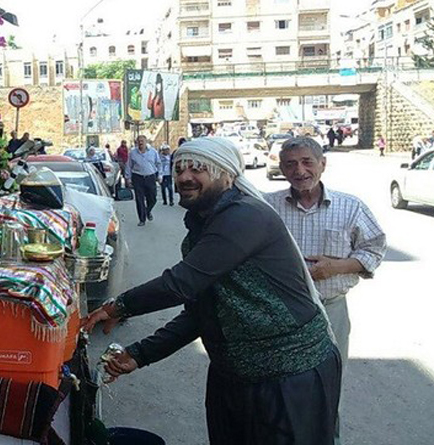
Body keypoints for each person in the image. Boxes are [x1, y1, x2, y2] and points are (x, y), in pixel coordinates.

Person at [85, 137, 340, 445]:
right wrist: (140, 354)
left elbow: (180, 283)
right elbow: (202, 313)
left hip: (288, 378)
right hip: (233, 377)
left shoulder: (245, 215)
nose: (185, 177)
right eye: (179, 169)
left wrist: (117, 306)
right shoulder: (200, 230)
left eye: (198, 169)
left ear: (227, 176)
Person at [264, 137, 386, 445]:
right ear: (282, 168)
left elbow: (374, 249)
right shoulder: (267, 206)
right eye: (290, 164)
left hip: (331, 309)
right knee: (277, 383)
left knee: (327, 385)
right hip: (280, 311)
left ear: (322, 164)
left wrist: (336, 267)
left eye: (307, 162)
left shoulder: (350, 206)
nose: (300, 170)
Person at [126, 135, 162, 226]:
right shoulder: (133, 153)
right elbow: (129, 166)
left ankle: (147, 210)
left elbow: (159, 164)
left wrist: (160, 175)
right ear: (136, 142)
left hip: (150, 177)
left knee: (153, 198)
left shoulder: (153, 152)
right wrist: (128, 178)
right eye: (139, 141)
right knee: (139, 199)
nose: (140, 143)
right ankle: (142, 219)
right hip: (138, 177)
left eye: (142, 141)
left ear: (146, 141)